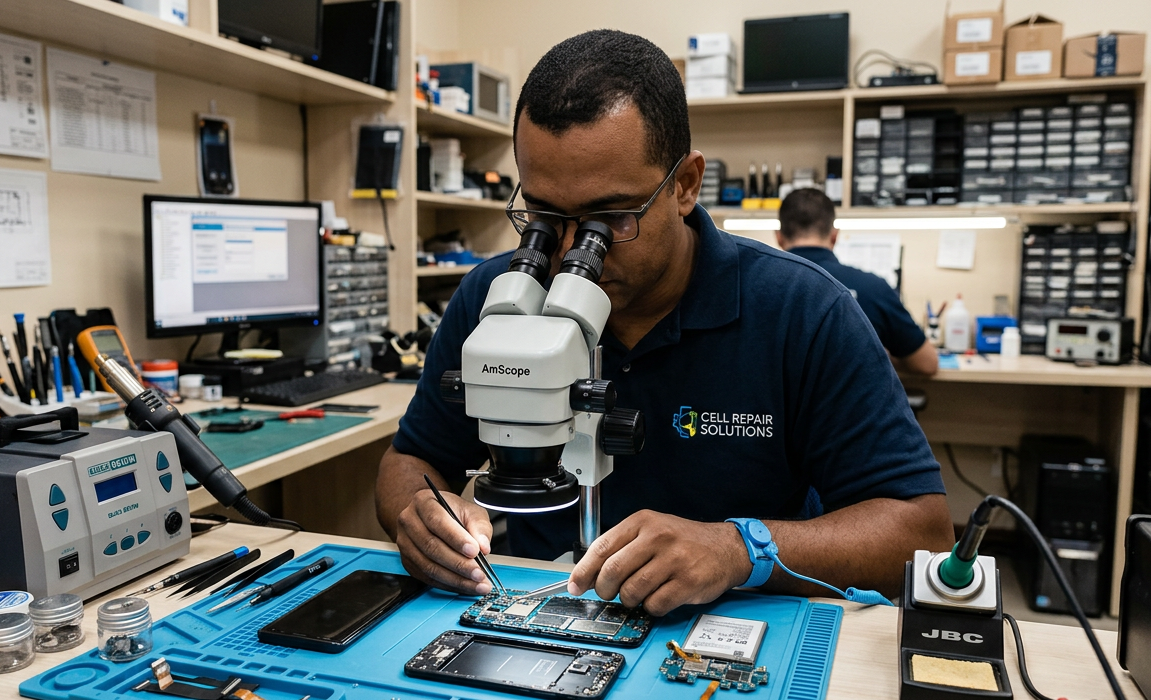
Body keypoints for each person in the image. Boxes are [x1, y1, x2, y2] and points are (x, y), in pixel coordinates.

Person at [376, 29, 953, 616]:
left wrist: (739, 548)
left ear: (684, 185)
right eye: (546, 217)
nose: (574, 249)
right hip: (530, 609)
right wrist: (423, 516)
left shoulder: (803, 310)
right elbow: (410, 460)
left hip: (720, 635)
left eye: (611, 218)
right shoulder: (493, 300)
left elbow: (922, 534)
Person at [775, 188, 939, 376]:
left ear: (778, 237)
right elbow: (927, 364)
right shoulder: (873, 288)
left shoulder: (755, 288)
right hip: (850, 405)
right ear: (834, 236)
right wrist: (878, 356)